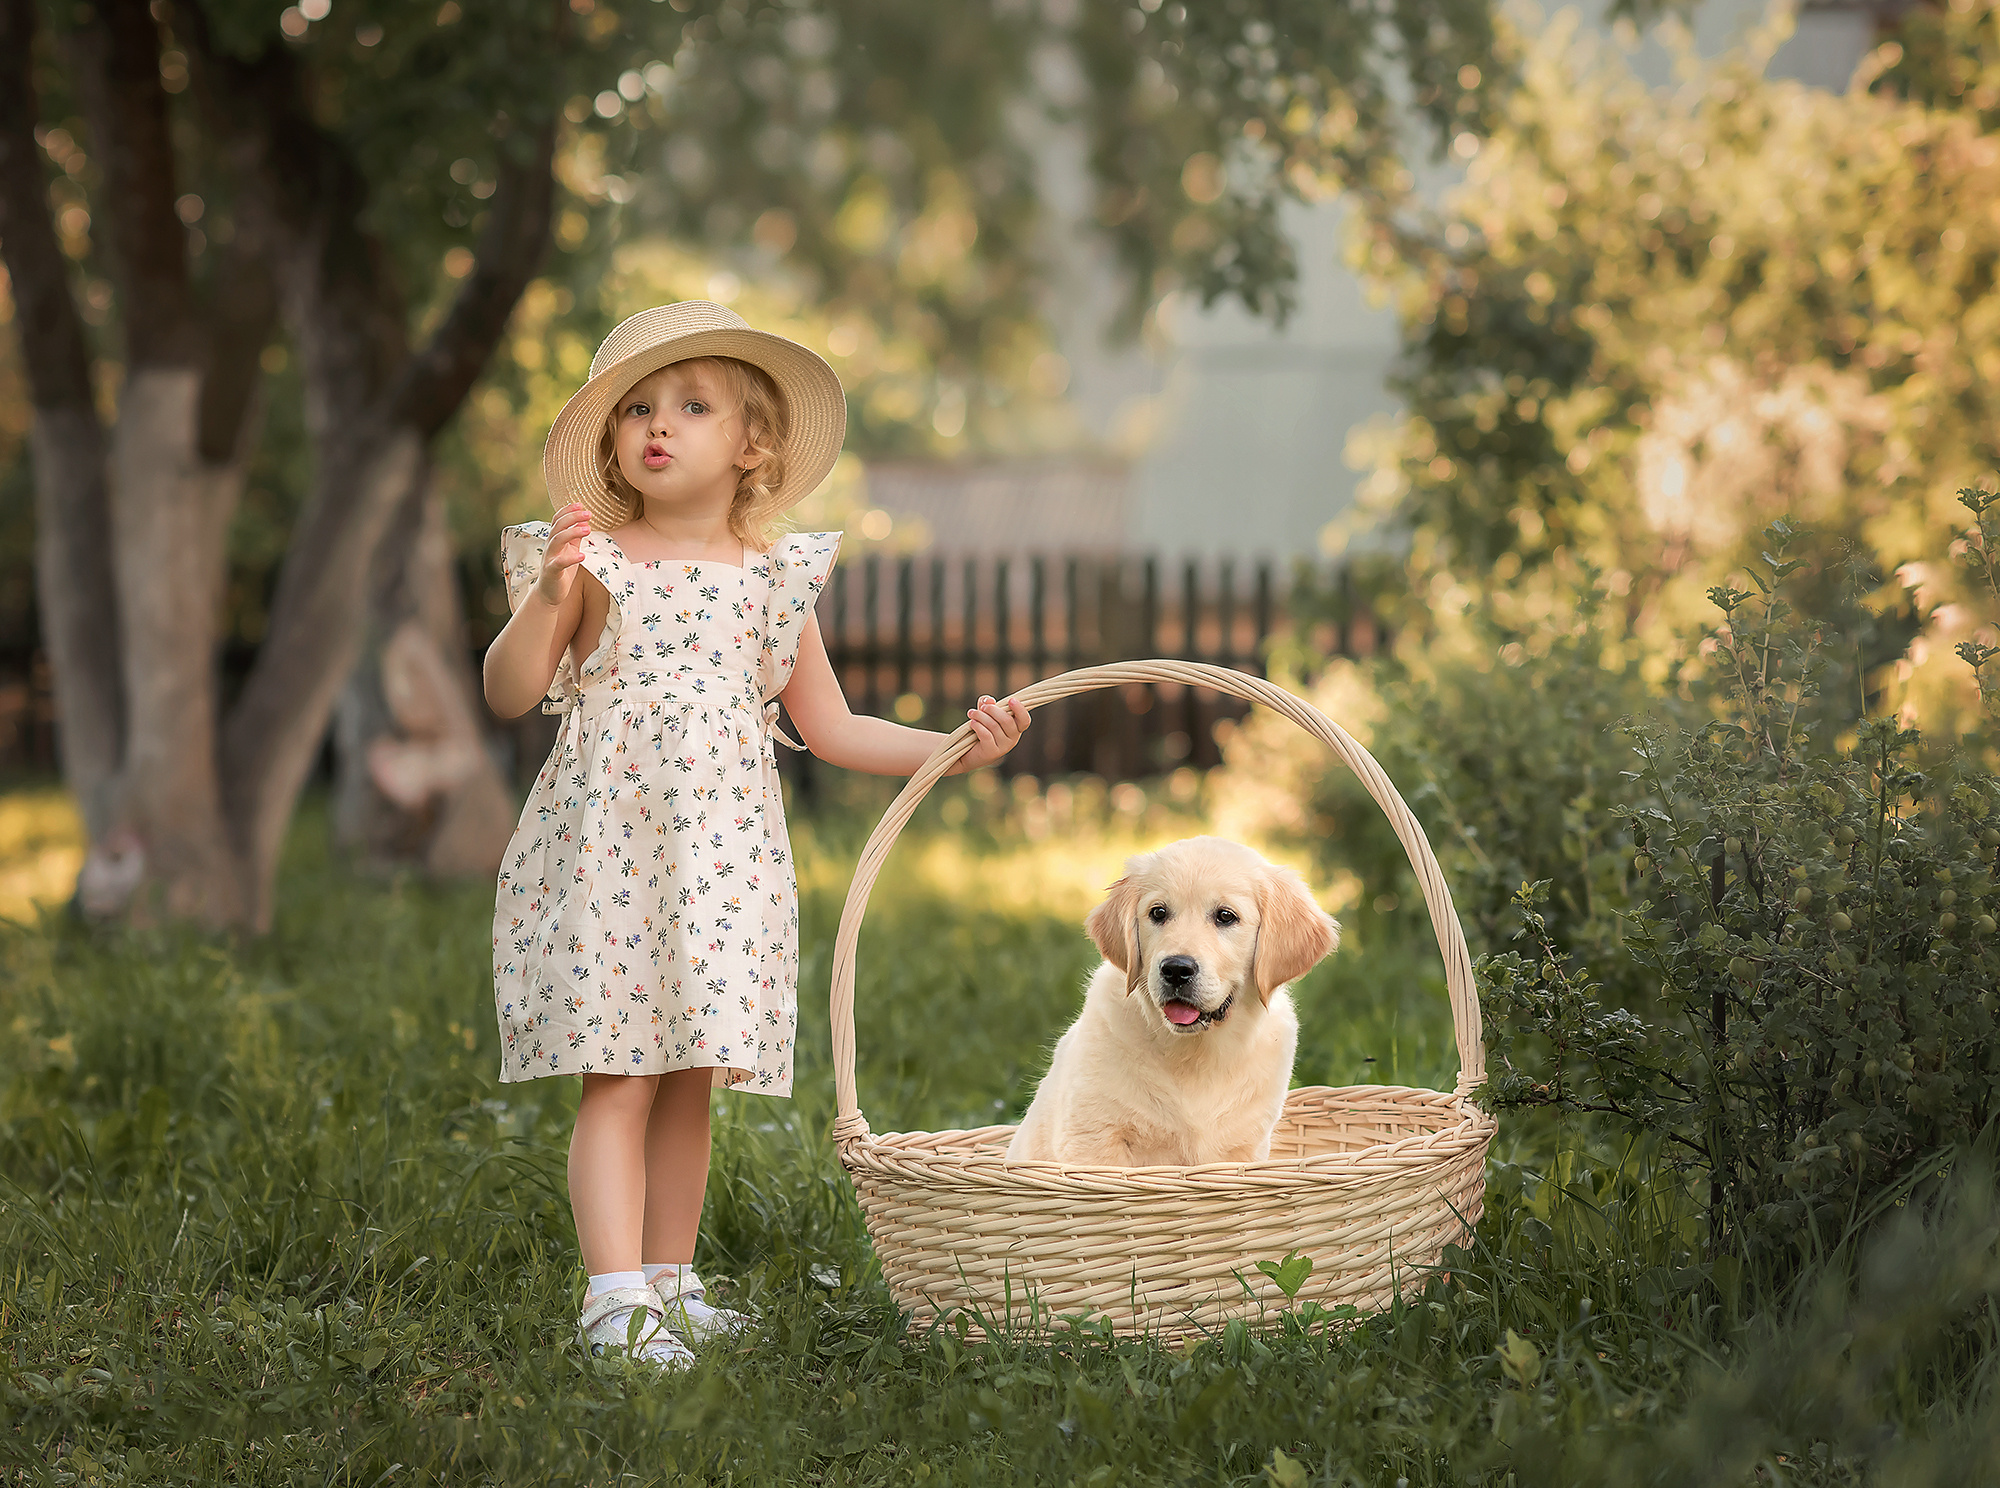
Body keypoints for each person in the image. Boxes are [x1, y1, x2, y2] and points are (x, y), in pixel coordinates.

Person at [482, 302, 1029, 1366]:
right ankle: (610, 1299)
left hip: (720, 868)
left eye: (692, 407)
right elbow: (509, 691)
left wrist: (955, 748)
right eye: (637, 409)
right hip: (610, 862)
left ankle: (669, 1281)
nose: (658, 426)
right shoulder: (590, 566)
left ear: (751, 446)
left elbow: (828, 727)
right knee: (620, 1070)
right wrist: (545, 599)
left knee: (694, 1070)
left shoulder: (769, 580)